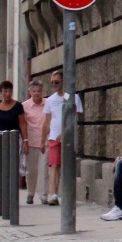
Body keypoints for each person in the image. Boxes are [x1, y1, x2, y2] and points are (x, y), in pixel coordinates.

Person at [41, 70, 83, 207]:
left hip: (69, 137)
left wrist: (66, 132)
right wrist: (43, 140)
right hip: (53, 137)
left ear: (63, 82)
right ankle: (53, 194)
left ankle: (68, 194)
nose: (54, 85)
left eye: (57, 82)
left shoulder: (71, 97)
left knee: (68, 165)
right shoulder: (50, 100)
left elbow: (77, 116)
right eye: (52, 82)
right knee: (54, 165)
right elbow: (47, 122)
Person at [0, 81, 26, 192]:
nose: (8, 94)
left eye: (10, 91)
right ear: (1, 92)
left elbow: (22, 123)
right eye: (5, 91)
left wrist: (25, 140)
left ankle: (12, 190)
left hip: (14, 137)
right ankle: (1, 189)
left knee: (13, 163)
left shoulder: (18, 106)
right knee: (0, 163)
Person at [21, 80, 47, 204]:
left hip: (45, 141)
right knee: (31, 170)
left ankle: (43, 195)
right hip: (31, 141)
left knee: (43, 169)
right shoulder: (24, 106)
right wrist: (25, 140)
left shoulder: (47, 103)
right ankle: (30, 193)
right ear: (30, 92)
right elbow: (23, 124)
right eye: (34, 91)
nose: (36, 94)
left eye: (39, 91)